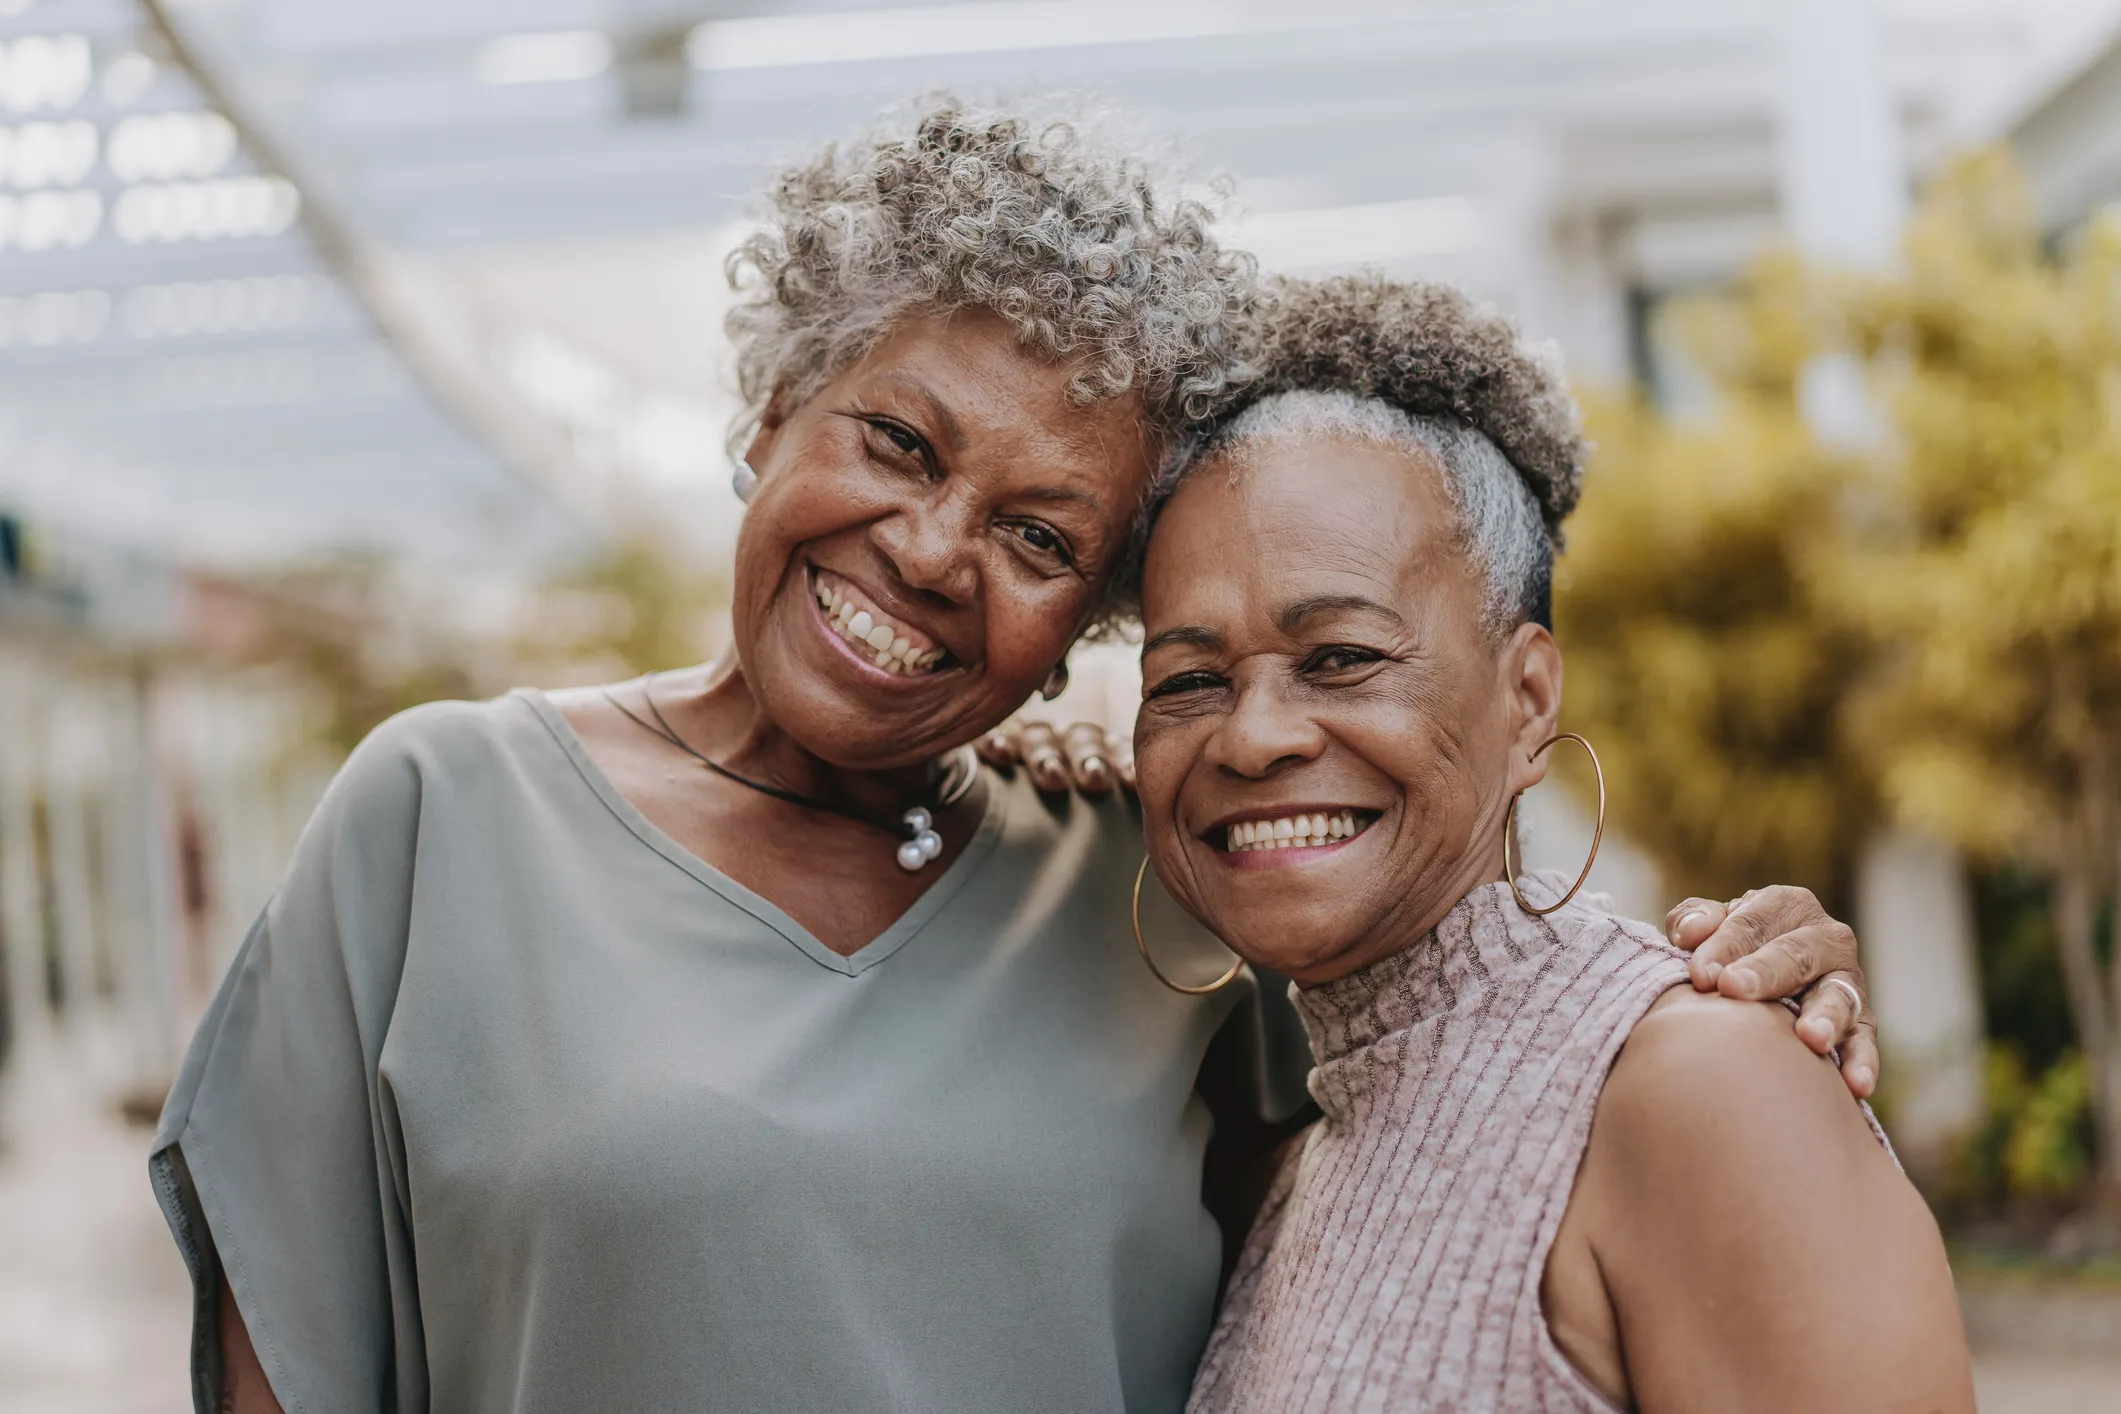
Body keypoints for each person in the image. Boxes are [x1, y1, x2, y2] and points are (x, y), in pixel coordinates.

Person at [154, 96, 1885, 1414]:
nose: (930, 549)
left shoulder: (1154, 880)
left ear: (1091, 620)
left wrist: (1741, 997)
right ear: (771, 412)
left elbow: (1466, 1077)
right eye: (894, 442)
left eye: (1043, 537)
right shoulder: (435, 822)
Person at [1129, 274, 1974, 1413]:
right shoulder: (1294, 1157)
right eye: (1188, 679)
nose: (1255, 733)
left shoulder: (1705, 1084)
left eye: (1339, 657)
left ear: (1527, 697)